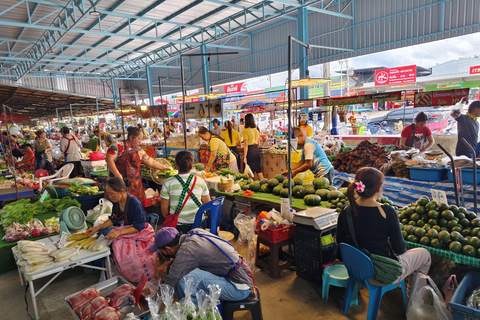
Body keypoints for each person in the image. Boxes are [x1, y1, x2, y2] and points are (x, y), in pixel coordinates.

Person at [336, 167, 431, 293]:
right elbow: (400, 249)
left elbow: (340, 241)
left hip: (355, 269)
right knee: (424, 255)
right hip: (381, 274)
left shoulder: (346, 209)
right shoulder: (387, 212)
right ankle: (413, 299)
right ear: (379, 189)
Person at [150, 227, 254, 302]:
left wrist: (154, 296)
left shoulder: (187, 251)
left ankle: (193, 311)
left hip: (238, 287)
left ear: (168, 249)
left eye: (161, 252)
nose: (162, 255)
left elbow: (172, 280)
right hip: (242, 274)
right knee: (187, 273)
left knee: (184, 280)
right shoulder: (194, 233)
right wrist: (167, 263)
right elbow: (188, 259)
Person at [106, 126, 169, 205]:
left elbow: (151, 162)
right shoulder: (117, 145)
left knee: (135, 206)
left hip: (136, 186)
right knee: (120, 206)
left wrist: (165, 167)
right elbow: (109, 159)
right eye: (139, 139)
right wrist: (118, 175)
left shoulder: (138, 150)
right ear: (131, 137)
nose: (140, 141)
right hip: (119, 184)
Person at [160, 151, 211, 234]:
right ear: (191, 166)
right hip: (198, 224)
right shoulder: (200, 181)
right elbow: (207, 203)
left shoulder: (168, 182)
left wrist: (171, 219)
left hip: (178, 226)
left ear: (176, 165)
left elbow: (164, 209)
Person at [243, 114, 264, 180]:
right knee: (258, 170)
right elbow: (258, 143)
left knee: (249, 170)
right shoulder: (256, 130)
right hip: (256, 150)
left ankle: (249, 186)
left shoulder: (245, 131)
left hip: (250, 151)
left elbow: (245, 145)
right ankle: (264, 184)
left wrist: (244, 156)